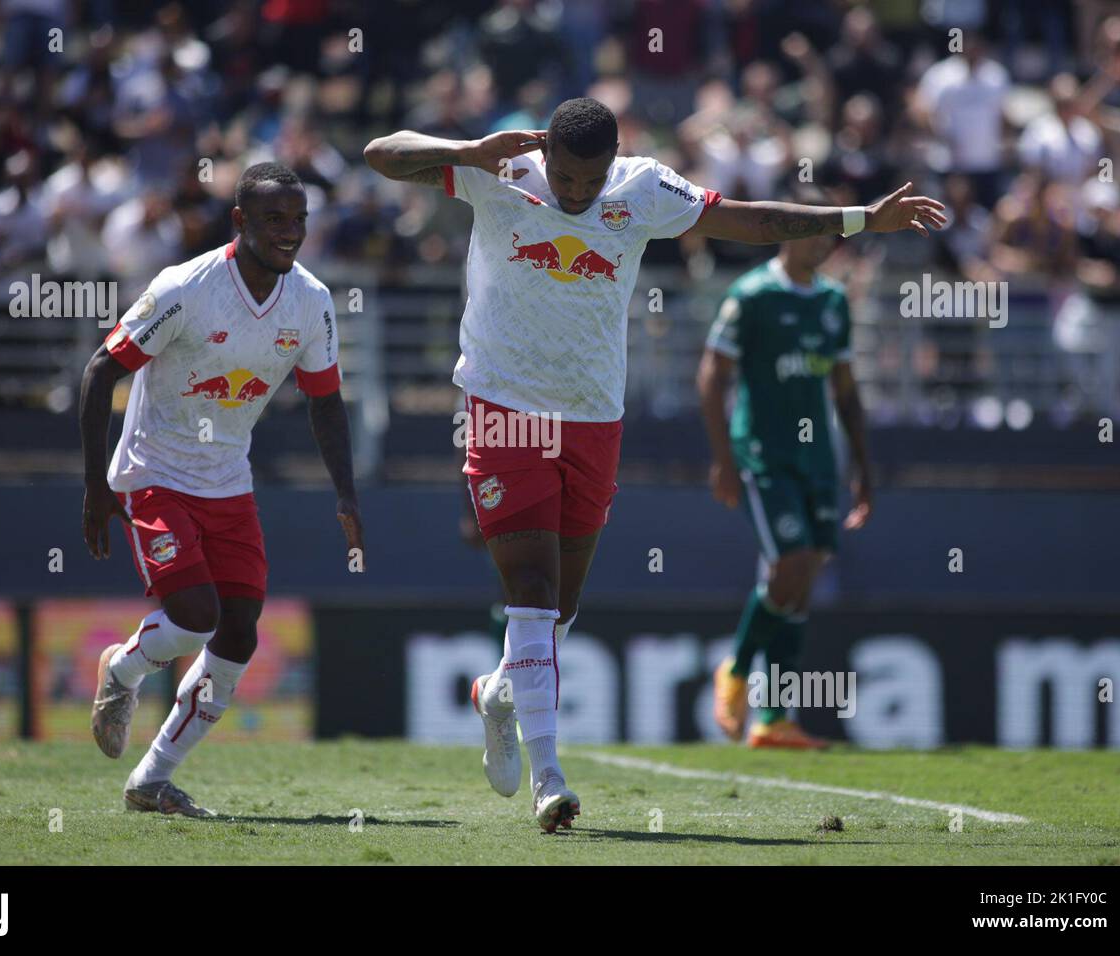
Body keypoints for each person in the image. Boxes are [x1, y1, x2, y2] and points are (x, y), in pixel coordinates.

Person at [363, 97, 943, 832]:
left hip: (594, 419)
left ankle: (499, 696)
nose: (577, 194)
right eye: (567, 179)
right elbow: (382, 154)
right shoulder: (500, 169)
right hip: (505, 409)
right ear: (547, 159)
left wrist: (861, 219)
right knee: (533, 596)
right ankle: (550, 777)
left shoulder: (642, 188)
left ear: (612, 162)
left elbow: (755, 221)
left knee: (561, 611)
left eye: (590, 180)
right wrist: (473, 147)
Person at [79, 162, 363, 817]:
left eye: (298, 220)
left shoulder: (312, 300)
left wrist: (345, 494)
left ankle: (152, 780)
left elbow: (325, 401)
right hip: (155, 474)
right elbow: (100, 373)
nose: (290, 233)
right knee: (195, 617)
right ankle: (122, 670)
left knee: (237, 635)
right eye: (274, 220)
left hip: (229, 482)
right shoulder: (185, 287)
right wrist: (96, 487)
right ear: (240, 222)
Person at [698, 187, 873, 748]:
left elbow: (845, 390)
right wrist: (723, 457)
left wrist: (863, 467)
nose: (824, 240)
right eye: (815, 228)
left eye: (831, 231)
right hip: (763, 454)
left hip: (818, 457)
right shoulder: (752, 295)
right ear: (788, 230)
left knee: (805, 579)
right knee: (791, 565)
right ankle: (738, 669)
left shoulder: (833, 302)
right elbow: (712, 375)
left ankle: (774, 719)